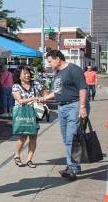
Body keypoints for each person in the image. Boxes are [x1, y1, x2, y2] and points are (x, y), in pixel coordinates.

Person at [39, 50, 88, 181]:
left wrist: (82, 107)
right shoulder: (58, 73)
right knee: (67, 139)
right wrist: (44, 98)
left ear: (58, 59)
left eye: (50, 61)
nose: (49, 64)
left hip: (74, 105)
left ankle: (71, 168)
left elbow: (83, 88)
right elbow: (58, 91)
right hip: (62, 107)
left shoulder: (74, 70)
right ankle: (74, 166)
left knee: (71, 137)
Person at [11, 66, 42, 168]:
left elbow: (43, 94)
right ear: (19, 76)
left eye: (28, 73)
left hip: (34, 114)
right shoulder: (16, 86)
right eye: (24, 73)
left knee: (33, 137)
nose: (27, 75)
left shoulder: (36, 84)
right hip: (22, 114)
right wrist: (33, 98)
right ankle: (17, 155)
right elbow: (20, 101)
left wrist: (42, 100)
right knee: (22, 137)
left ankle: (29, 160)